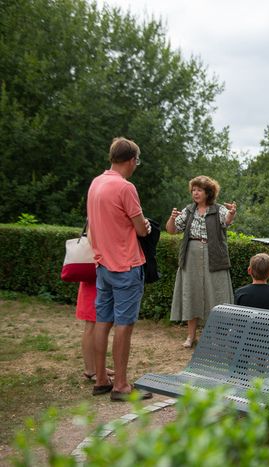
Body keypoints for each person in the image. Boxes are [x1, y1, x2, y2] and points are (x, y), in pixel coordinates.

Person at [87, 137, 152, 401]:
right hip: (125, 265)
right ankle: (121, 385)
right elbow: (140, 229)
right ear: (132, 160)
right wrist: (146, 226)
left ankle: (101, 378)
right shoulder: (126, 188)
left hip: (102, 265)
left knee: (103, 322)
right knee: (124, 326)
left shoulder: (96, 183)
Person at [167, 176, 237, 348]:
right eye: (193, 190)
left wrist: (232, 212)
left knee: (215, 295)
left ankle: (215, 338)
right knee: (192, 294)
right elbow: (172, 230)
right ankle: (191, 337)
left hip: (214, 256)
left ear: (208, 192)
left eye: (199, 190)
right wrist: (171, 218)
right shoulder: (189, 210)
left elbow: (227, 220)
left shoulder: (218, 209)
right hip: (191, 254)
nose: (195, 193)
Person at [76, 281, 114, 381]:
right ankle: (91, 370)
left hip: (96, 283)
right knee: (92, 325)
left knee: (96, 325)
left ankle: (97, 368)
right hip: (93, 284)